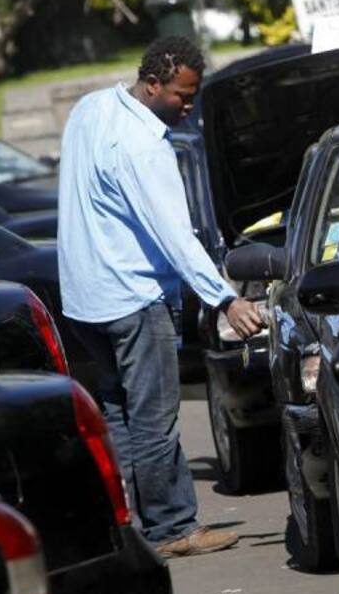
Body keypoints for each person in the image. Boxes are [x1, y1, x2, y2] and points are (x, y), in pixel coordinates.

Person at [57, 36, 265, 558]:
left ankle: (127, 525)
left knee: (120, 413)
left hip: (85, 297)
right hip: (131, 297)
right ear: (152, 85)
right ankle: (174, 527)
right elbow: (175, 234)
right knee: (152, 420)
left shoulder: (91, 109)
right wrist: (225, 299)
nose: (189, 107)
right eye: (182, 95)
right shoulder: (144, 147)